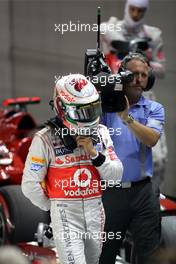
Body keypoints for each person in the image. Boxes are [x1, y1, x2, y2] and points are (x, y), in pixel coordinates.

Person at [21, 74, 123, 264]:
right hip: (66, 214)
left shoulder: (101, 133)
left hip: (96, 211)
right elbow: (29, 185)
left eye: (93, 109)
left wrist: (94, 154)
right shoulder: (44, 139)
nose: (90, 117)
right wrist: (54, 206)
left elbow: (116, 176)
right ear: (62, 108)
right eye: (82, 112)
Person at [99, 52, 165, 264]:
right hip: (110, 193)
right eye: (133, 74)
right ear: (122, 76)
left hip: (143, 192)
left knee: (150, 256)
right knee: (104, 255)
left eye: (144, 75)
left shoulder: (154, 108)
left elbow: (152, 139)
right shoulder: (104, 108)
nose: (138, 79)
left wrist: (127, 118)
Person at [101, 0, 167, 187]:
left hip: (142, 96)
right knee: (109, 148)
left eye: (141, 11)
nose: (136, 14)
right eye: (133, 9)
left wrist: (141, 58)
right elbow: (105, 31)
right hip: (113, 97)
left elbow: (161, 70)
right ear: (126, 8)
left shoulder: (153, 35)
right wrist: (123, 45)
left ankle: (152, 194)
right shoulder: (109, 27)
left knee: (159, 158)